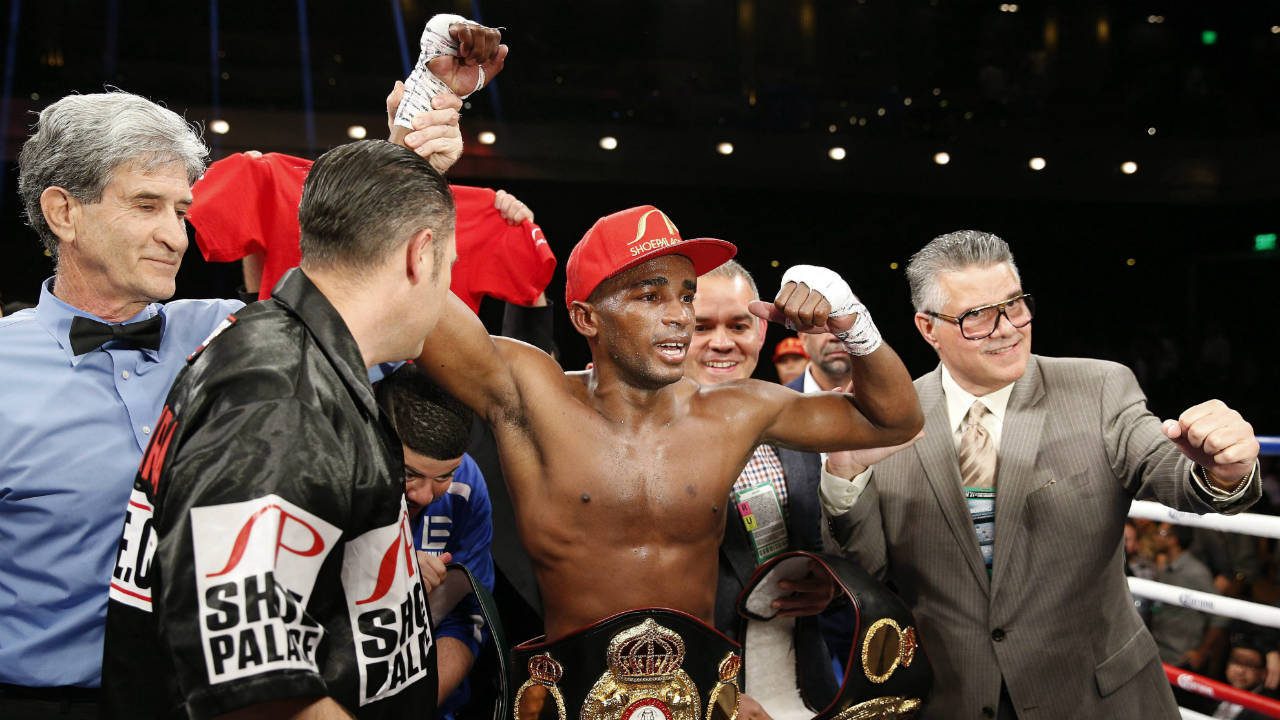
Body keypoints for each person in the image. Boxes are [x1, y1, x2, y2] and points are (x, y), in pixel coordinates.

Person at [414, 205, 923, 717]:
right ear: (586, 317)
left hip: (700, 700)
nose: (679, 314)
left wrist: (854, 324)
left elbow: (893, 422)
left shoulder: (733, 411)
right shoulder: (533, 397)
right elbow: (416, 308)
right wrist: (413, 168)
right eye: (650, 296)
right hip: (571, 699)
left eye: (685, 295)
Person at [822, 229, 1262, 719]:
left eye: (1014, 304)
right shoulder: (891, 416)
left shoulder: (1098, 387)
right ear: (928, 329)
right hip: (956, 700)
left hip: (1098, 699)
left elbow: (1168, 469)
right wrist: (844, 477)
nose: (1007, 328)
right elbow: (868, 572)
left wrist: (1224, 470)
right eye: (977, 316)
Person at [100, 140, 462, 719]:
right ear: (422, 255)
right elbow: (250, 679)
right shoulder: (283, 390)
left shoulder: (287, 352)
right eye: (451, 266)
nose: (448, 290)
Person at [0, 91, 244, 718]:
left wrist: (413, 161)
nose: (176, 236)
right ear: (64, 213)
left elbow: (385, 311)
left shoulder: (235, 334)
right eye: (146, 205)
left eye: (181, 210)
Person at [685, 259, 840, 716]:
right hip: (702, 692)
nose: (722, 342)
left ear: (760, 331)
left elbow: (820, 546)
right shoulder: (639, 440)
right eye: (702, 326)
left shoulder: (796, 422)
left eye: (738, 325)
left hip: (804, 686)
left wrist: (828, 585)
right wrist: (716, 692)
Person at [375, 364, 495, 720]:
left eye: (444, 475)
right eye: (410, 474)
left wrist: (414, 710)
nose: (427, 495)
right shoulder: (337, 478)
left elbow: (469, 617)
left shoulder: (467, 486)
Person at [1151, 523, 1229, 672]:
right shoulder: (1166, 566)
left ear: (1173, 540)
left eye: (1160, 533)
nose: (1155, 537)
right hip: (1159, 653)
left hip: (1181, 659)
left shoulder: (1195, 572)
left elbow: (1221, 615)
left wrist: (1202, 652)